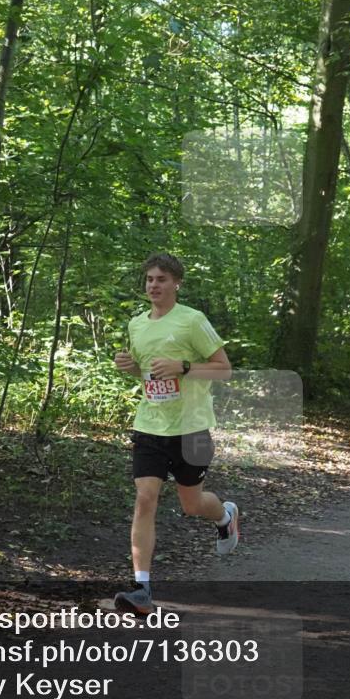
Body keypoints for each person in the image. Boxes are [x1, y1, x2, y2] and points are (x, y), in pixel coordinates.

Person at [112, 253, 239, 614]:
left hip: (192, 427)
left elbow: (224, 370)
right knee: (145, 497)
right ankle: (142, 589)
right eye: (150, 279)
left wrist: (183, 366)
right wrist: (131, 367)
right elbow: (148, 374)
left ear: (177, 283)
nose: (154, 285)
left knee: (191, 504)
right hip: (150, 426)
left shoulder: (192, 321)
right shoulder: (137, 325)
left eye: (162, 279)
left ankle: (225, 517)